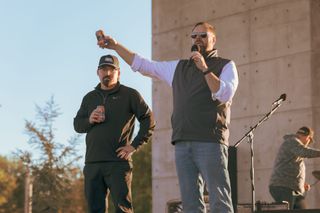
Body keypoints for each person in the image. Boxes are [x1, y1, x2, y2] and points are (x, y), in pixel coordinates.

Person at [97, 22, 238, 213]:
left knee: (219, 200)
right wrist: (115, 46)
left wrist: (204, 68)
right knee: (190, 204)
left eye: (203, 35)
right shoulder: (178, 68)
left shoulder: (225, 65)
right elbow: (143, 65)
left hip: (210, 141)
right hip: (182, 142)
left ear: (214, 39)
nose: (197, 39)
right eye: (194, 36)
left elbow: (224, 94)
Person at [73, 54, 155, 213]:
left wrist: (134, 145)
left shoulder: (130, 95)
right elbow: (77, 125)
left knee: (123, 209)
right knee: (95, 210)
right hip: (92, 163)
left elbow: (148, 120)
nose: (107, 73)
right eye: (104, 69)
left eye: (112, 69)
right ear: (98, 72)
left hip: (118, 163)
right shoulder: (89, 98)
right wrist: (89, 120)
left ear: (118, 73)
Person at [269, 126, 320, 209]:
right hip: (284, 187)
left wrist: (300, 185)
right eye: (309, 141)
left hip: (291, 189)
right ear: (308, 137)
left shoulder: (293, 145)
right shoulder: (292, 141)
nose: (307, 144)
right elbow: (304, 151)